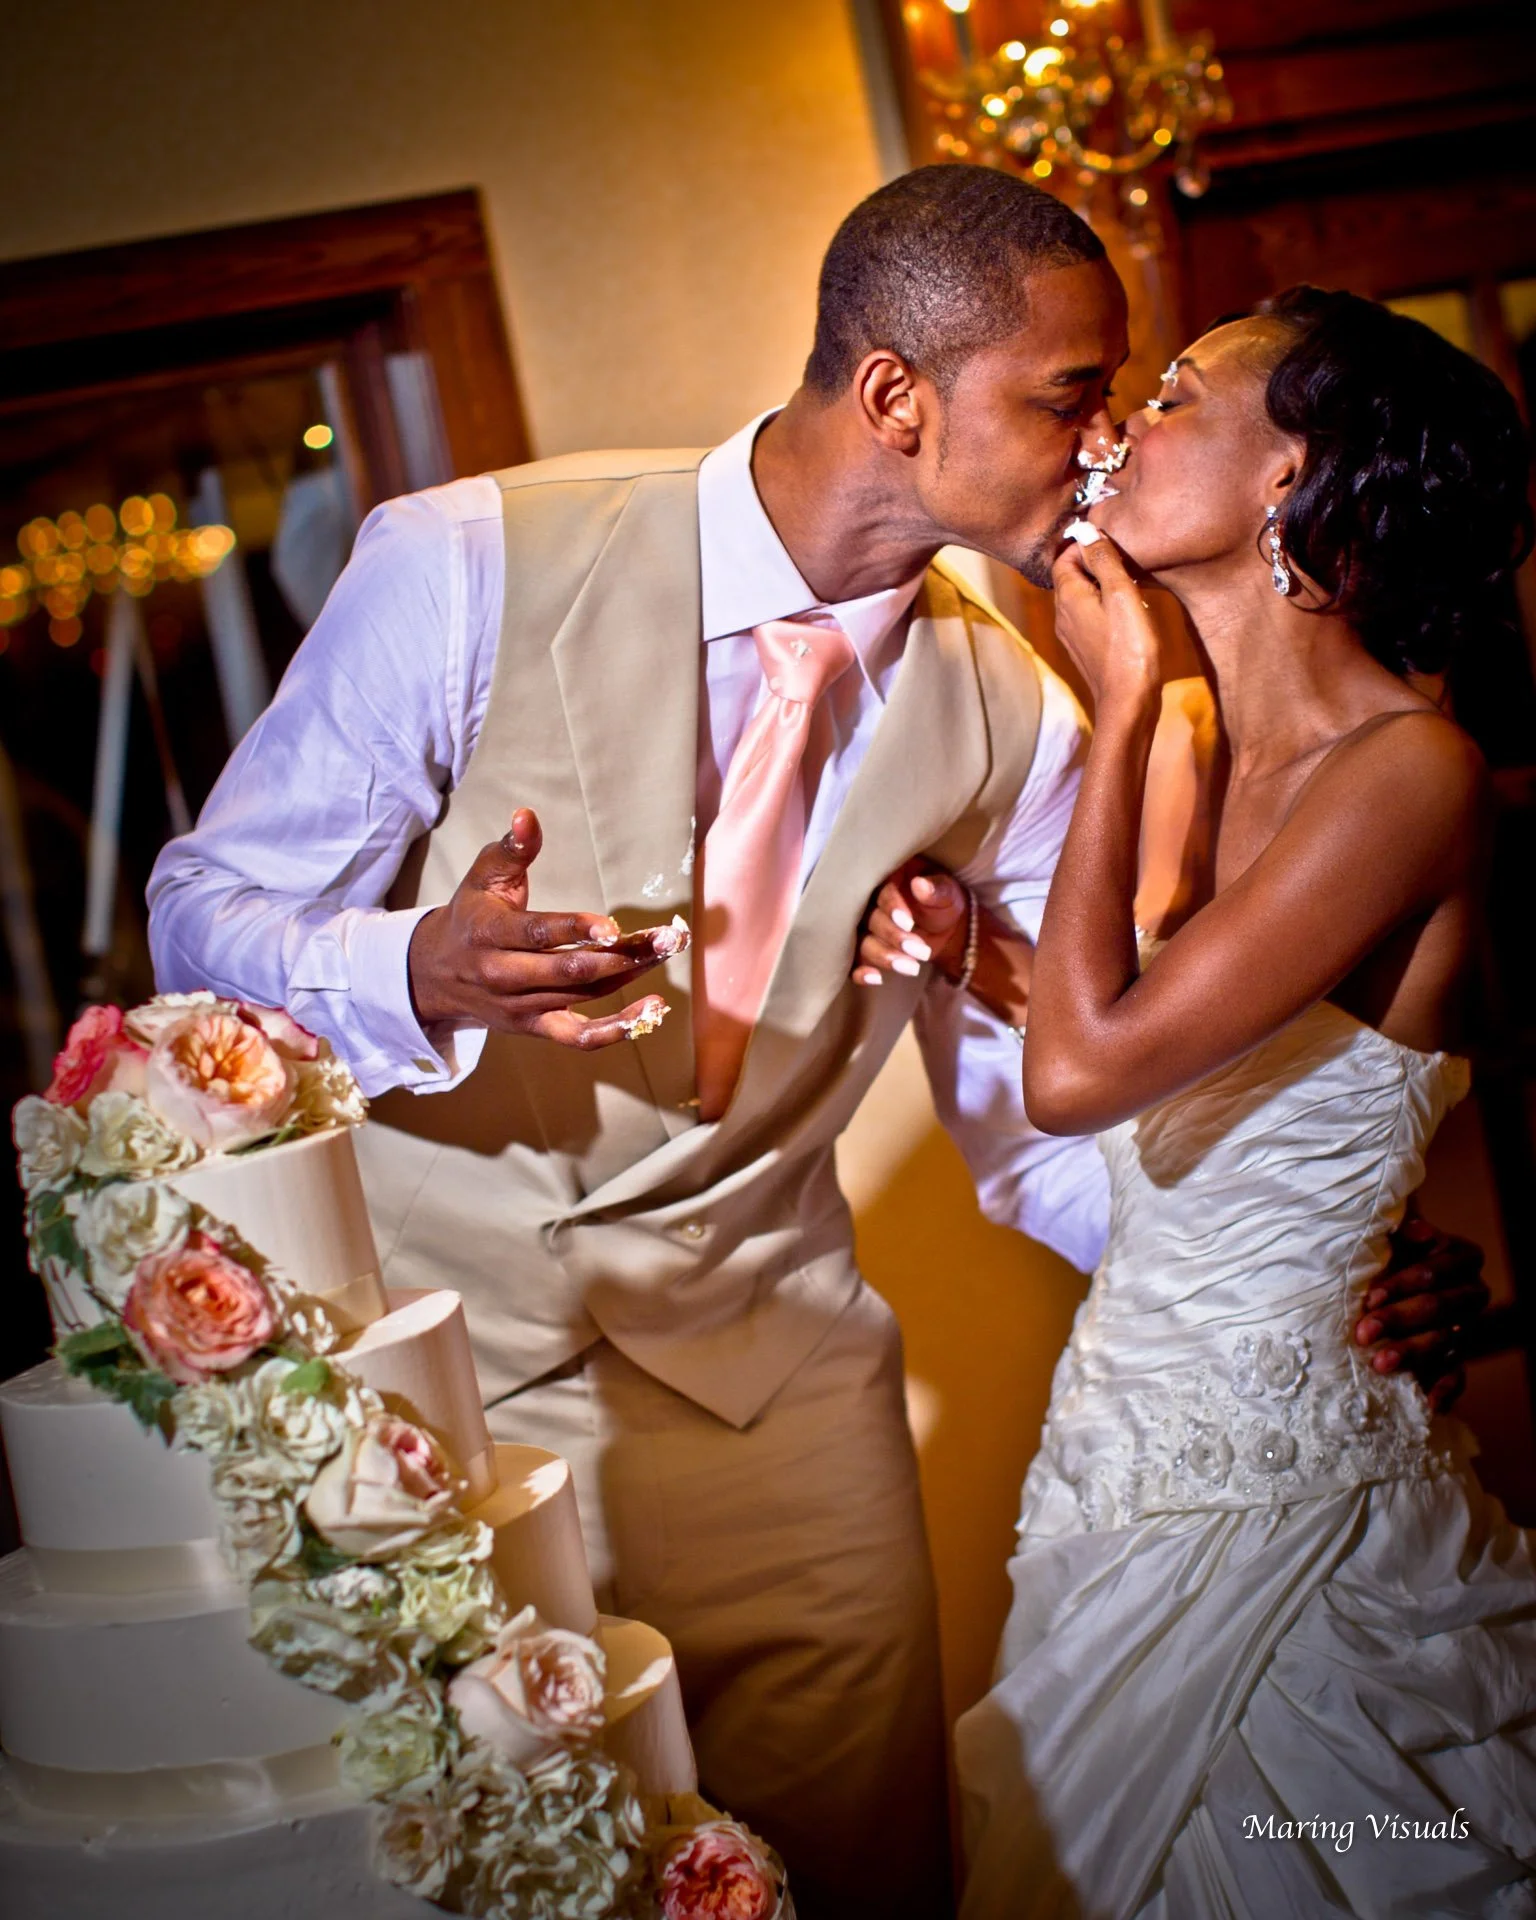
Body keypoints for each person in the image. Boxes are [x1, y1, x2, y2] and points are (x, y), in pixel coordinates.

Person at [147, 171, 1476, 1918]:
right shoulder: (460, 562)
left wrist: (1302, 1283)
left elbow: (1046, 1126)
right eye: (1069, 398)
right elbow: (201, 908)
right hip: (443, 1402)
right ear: (896, 398)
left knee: (874, 1878)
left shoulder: (1026, 710)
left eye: (1127, 405)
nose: (1099, 450)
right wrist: (421, 970)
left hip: (785, 1400)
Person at [857, 287, 1535, 1917]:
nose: (1115, 430)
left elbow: (1083, 1078)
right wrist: (979, 953)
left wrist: (1116, 702)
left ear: (1291, 478)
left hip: (1290, 1487)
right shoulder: (1209, 757)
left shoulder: (1408, 772)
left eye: (1171, 396)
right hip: (1119, 1451)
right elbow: (1171, 1051)